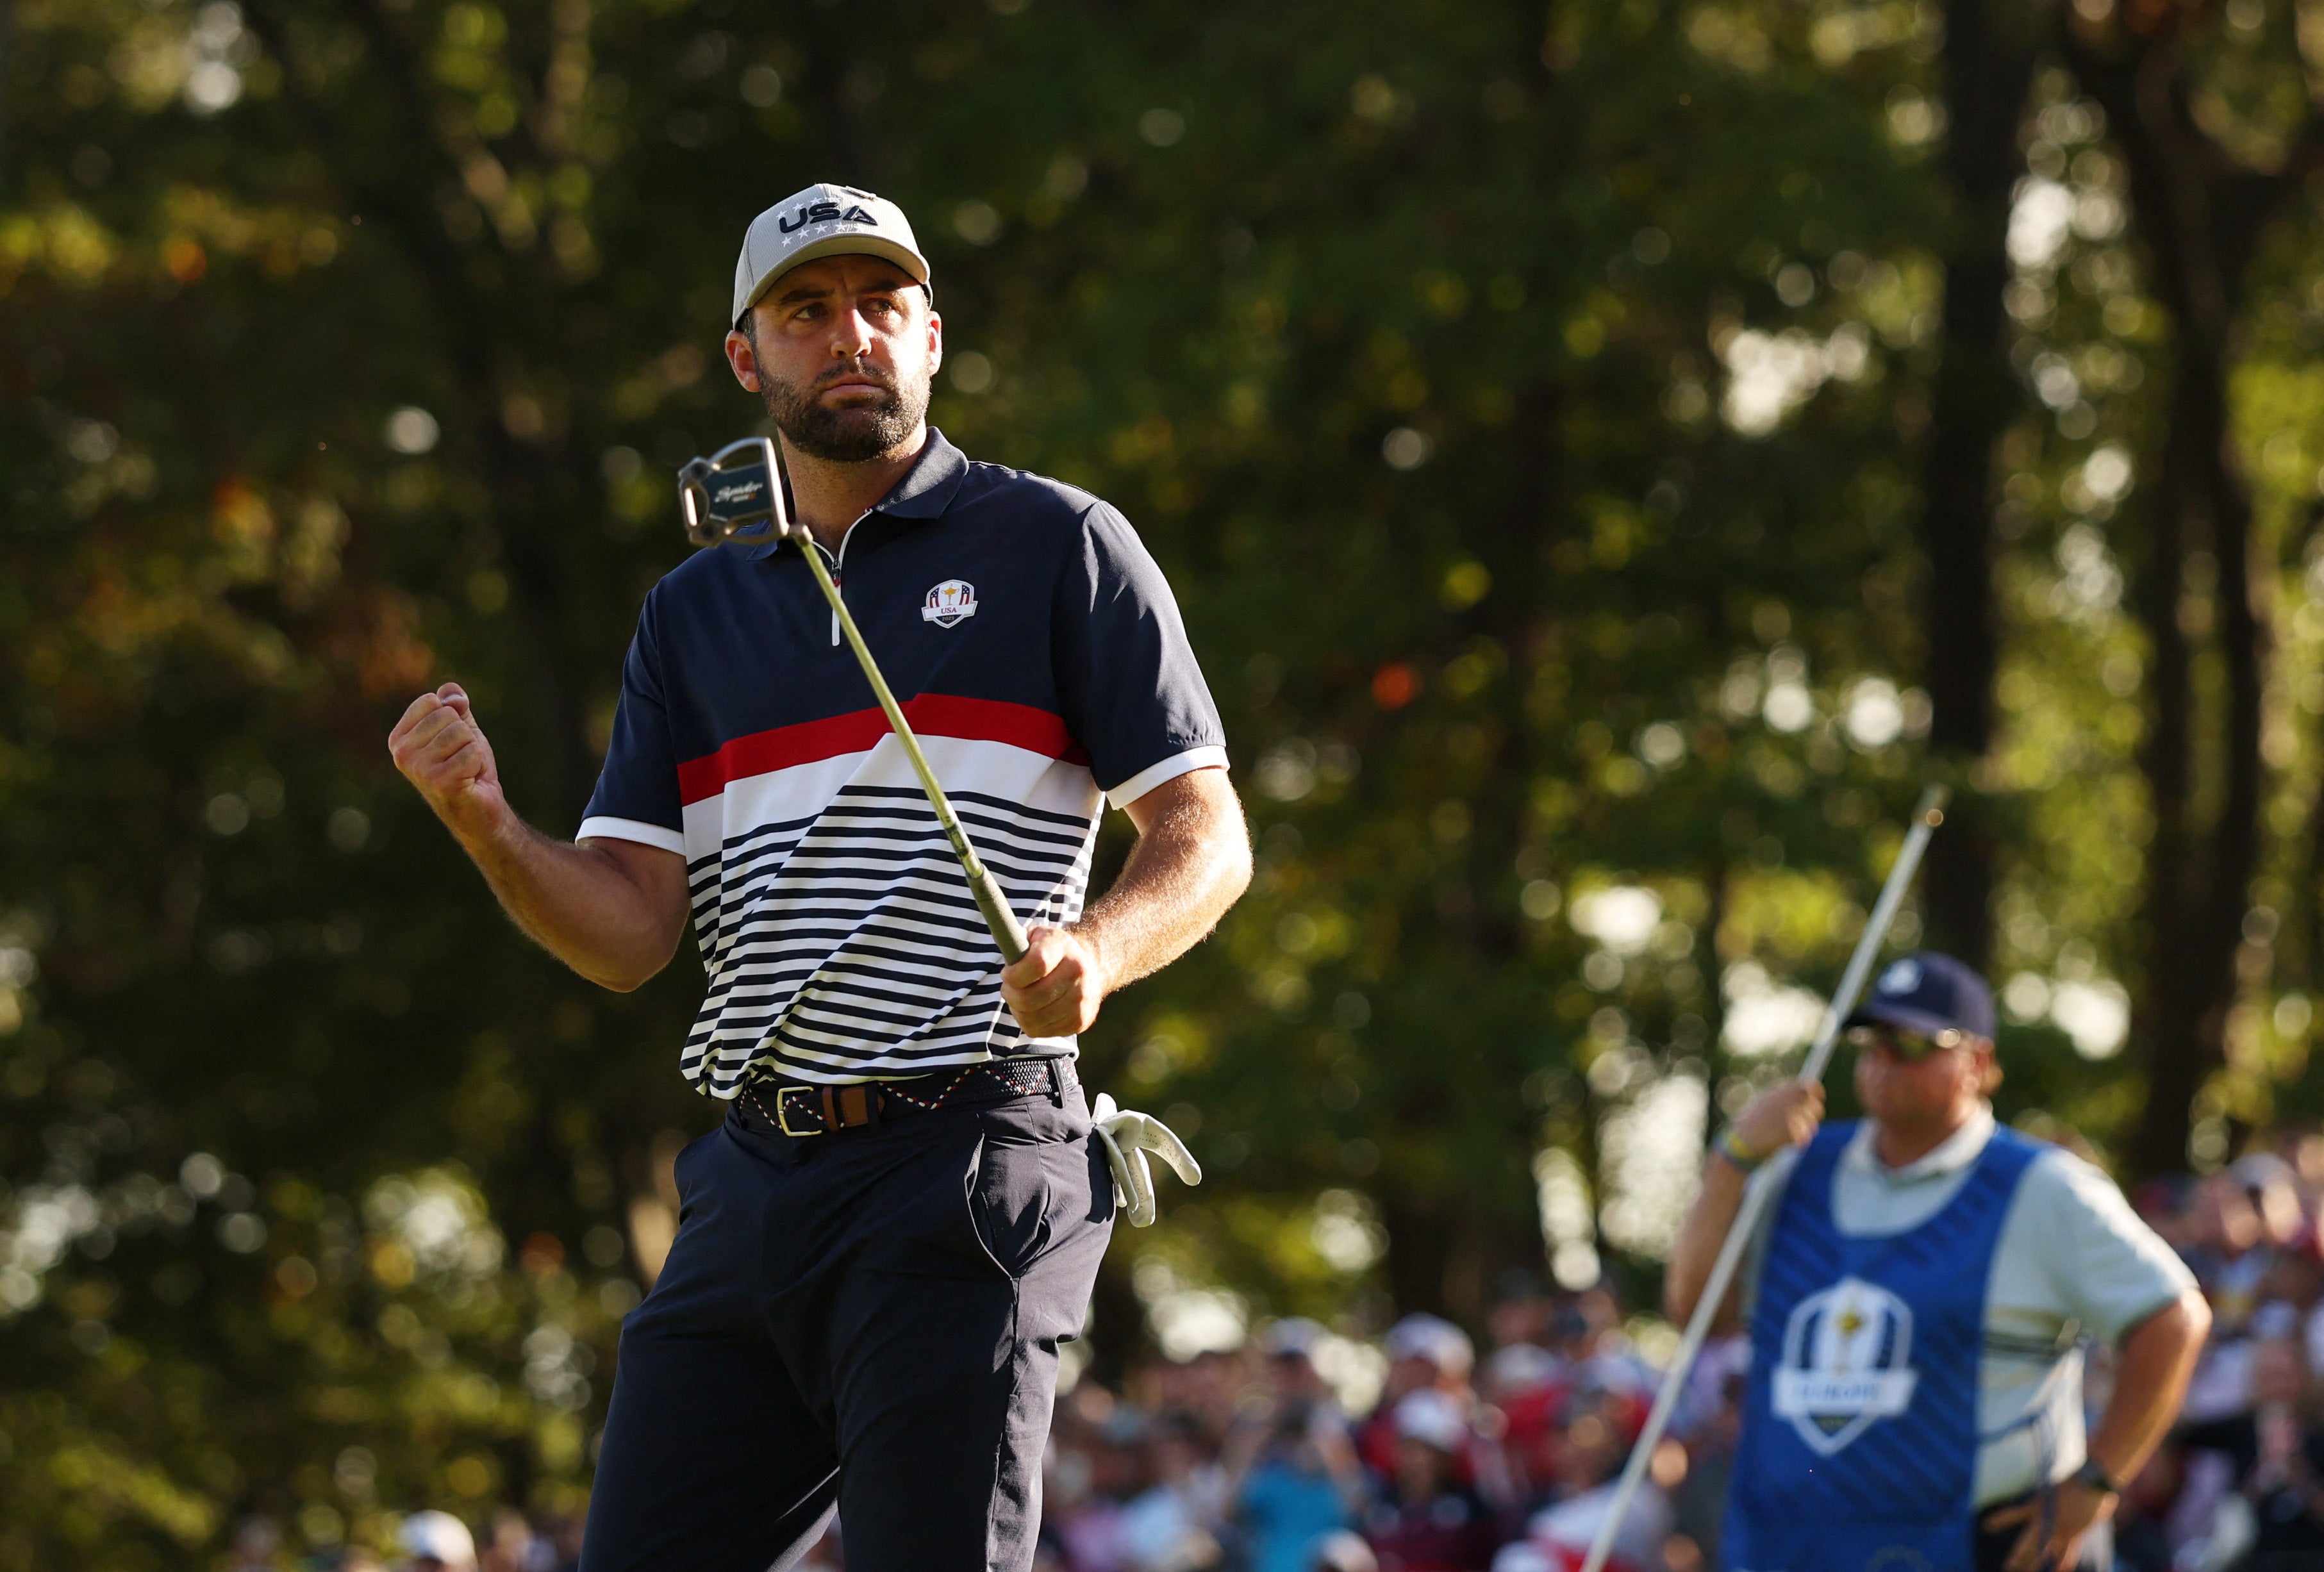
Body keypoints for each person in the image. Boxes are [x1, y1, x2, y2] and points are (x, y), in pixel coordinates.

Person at [388, 181, 1252, 1572]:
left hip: (965, 1152)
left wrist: (1096, 947)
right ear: (750, 359)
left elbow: (1205, 831)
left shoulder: (1058, 544)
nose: (849, 334)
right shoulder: (695, 608)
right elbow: (626, 935)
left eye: (880, 304)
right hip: (752, 1174)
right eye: (805, 310)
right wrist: (489, 822)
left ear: (930, 336)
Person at [1665, 952, 2211, 1572]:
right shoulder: (1793, 1169)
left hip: (1973, 1546)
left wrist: (2096, 1480)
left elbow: (2173, 1317)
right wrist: (1729, 1161)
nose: (1883, 1058)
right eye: (1873, 1038)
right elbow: (1698, 1311)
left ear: (1977, 1062)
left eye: (1913, 1041)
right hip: (1793, 1544)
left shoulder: (2042, 1187)